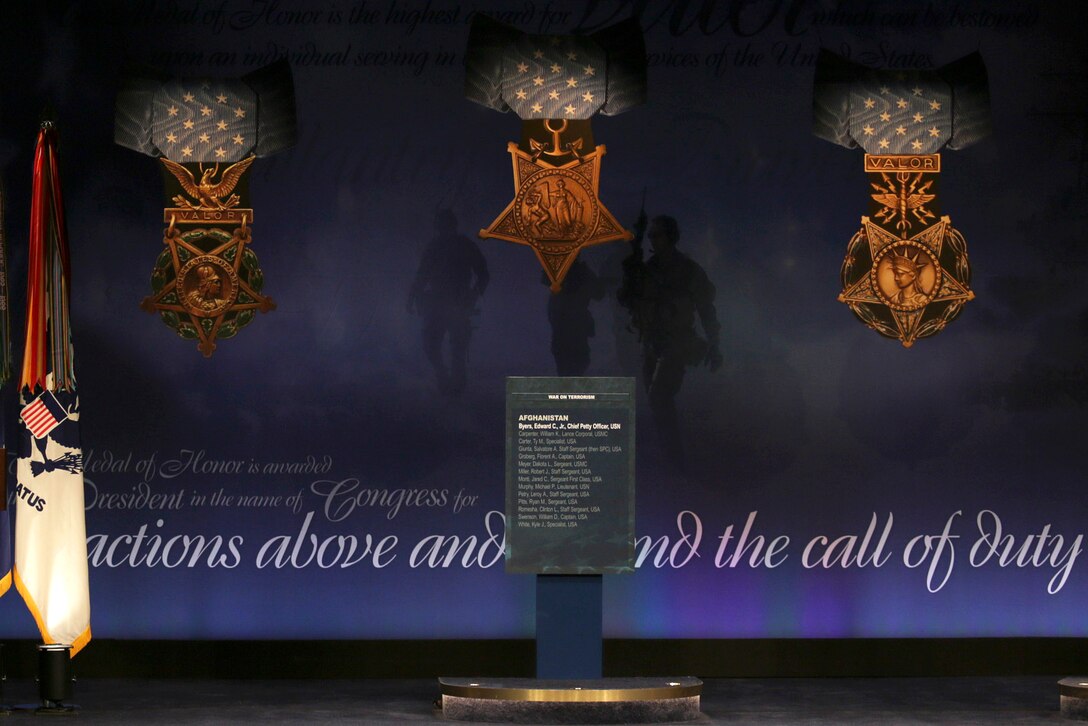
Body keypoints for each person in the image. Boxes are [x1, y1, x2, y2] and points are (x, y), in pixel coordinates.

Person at [618, 213, 722, 466]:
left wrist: (714, 343)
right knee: (656, 400)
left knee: (659, 396)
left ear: (671, 237)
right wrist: (632, 263)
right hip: (651, 343)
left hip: (677, 342)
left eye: (657, 234)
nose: (653, 239)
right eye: (650, 235)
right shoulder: (647, 269)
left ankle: (675, 458)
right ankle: (670, 453)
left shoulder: (687, 270)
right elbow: (626, 299)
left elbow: (706, 308)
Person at [408, 210, 489, 396]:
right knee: (431, 344)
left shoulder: (464, 245)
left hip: (459, 301)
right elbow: (422, 274)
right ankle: (444, 376)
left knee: (457, 348)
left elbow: (483, 274)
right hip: (438, 301)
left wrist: (473, 295)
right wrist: (413, 296)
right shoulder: (435, 246)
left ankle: (456, 390)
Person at [544, 258, 605, 377]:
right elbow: (599, 293)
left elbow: (599, 293)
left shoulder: (571, 271)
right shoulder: (579, 272)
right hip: (571, 328)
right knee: (574, 365)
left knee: (571, 366)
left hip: (569, 328)